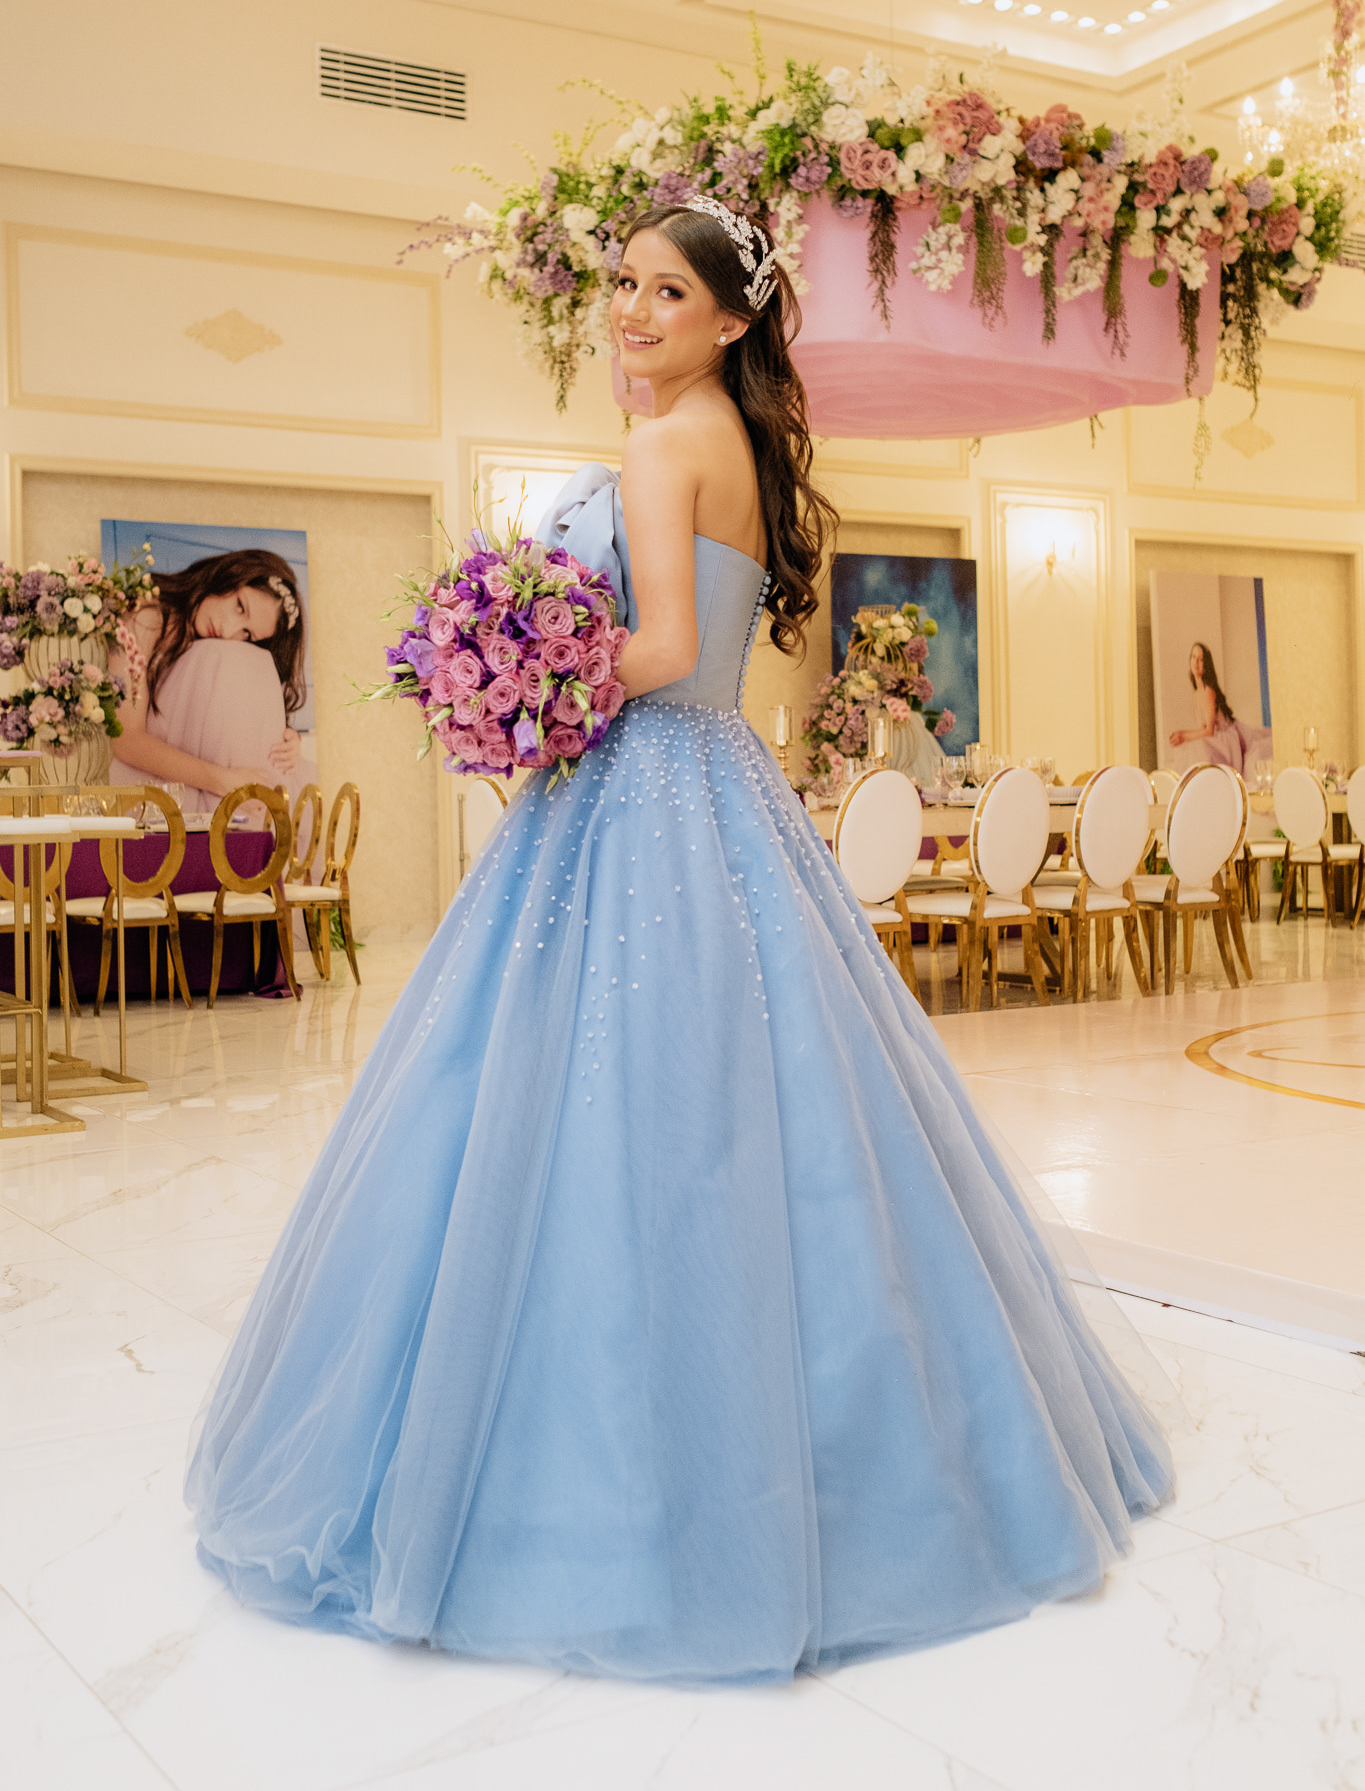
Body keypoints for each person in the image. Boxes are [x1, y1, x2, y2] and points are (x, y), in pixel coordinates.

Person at [186, 197, 1172, 1684]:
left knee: (599, 1095)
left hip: (639, 781)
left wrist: (511, 691)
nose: (630, 310)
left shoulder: (662, 446)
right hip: (720, 781)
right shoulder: (742, 446)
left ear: (730, 317)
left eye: (664, 290)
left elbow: (657, 647)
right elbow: (700, 649)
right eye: (622, 284)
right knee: (768, 1094)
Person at [109, 548, 308, 811]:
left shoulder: (205, 643)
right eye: (240, 607)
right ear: (229, 575)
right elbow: (126, 740)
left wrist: (287, 740)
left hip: (184, 792)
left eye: (247, 634)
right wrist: (223, 781)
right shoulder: (145, 617)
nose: (228, 631)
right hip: (134, 787)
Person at [1168, 639, 1272, 774]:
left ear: (1206, 665)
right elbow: (1202, 728)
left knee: (1198, 748)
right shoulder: (1197, 693)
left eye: (1201, 659)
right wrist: (1182, 733)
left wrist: (1184, 737)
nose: (1196, 663)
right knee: (1190, 748)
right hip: (1217, 736)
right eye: (1193, 657)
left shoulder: (1208, 691)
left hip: (1229, 736)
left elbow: (1209, 731)